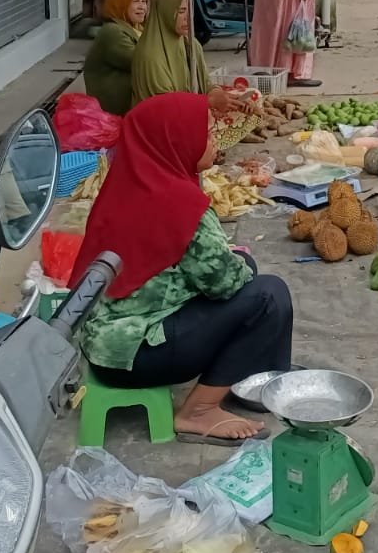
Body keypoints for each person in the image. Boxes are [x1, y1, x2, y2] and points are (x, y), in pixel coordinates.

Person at [75, 93, 292, 444]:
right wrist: (234, 264)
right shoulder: (179, 203)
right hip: (137, 354)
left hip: (105, 341)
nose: (213, 142)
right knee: (269, 294)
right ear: (177, 142)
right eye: (205, 134)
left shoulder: (128, 185)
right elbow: (224, 283)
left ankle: (251, 375)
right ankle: (198, 412)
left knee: (246, 267)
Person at [131, 0, 210, 103]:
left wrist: (216, 92)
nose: (188, 18)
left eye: (190, 11)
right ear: (165, 14)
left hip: (189, 110)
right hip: (159, 119)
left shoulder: (191, 44)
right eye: (181, 11)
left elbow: (206, 83)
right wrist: (207, 102)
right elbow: (167, 105)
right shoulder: (150, 56)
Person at [83, 0, 148, 115]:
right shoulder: (112, 32)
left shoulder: (138, 28)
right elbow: (140, 61)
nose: (142, 7)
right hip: (114, 111)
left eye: (144, 1)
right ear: (121, 4)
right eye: (136, 1)